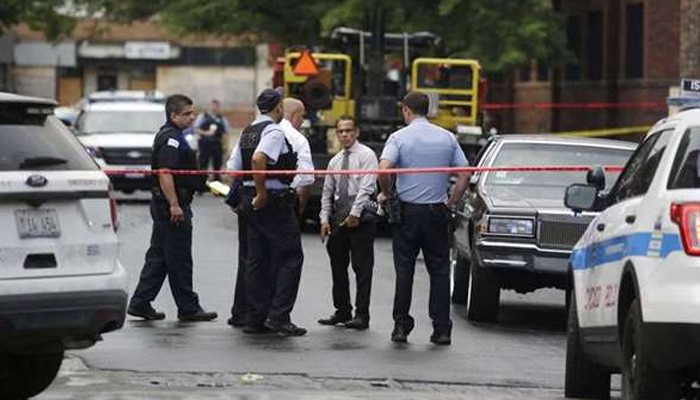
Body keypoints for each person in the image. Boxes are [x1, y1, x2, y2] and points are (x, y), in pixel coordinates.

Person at [378, 91, 470, 345]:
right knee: (439, 271)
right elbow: (465, 173)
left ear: (406, 110)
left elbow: (383, 169)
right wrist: (451, 202)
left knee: (404, 270)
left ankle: (400, 326)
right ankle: (442, 329)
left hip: (407, 212)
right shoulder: (447, 137)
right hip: (436, 212)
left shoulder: (399, 137)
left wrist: (387, 193)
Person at [127, 94, 218, 322]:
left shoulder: (175, 136)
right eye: (187, 114)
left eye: (192, 112)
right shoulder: (171, 139)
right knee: (179, 258)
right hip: (171, 207)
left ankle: (140, 302)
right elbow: (165, 172)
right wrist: (174, 205)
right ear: (173, 115)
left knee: (159, 257)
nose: (192, 117)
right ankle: (188, 307)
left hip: (165, 205)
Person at [226, 97, 314, 328]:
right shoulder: (274, 131)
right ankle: (278, 317)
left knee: (256, 259)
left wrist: (251, 190)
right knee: (291, 257)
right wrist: (262, 192)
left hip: (249, 201)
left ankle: (254, 318)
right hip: (273, 201)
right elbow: (258, 158)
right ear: (279, 109)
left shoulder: (248, 131)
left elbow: (233, 169)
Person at [318, 116, 378, 330]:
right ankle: (342, 310)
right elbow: (327, 192)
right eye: (340, 131)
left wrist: (355, 214)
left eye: (348, 130)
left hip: (361, 219)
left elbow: (367, 188)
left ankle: (362, 315)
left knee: (362, 269)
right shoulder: (335, 161)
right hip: (339, 219)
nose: (344, 135)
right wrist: (324, 219)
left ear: (356, 132)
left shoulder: (366, 155)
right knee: (338, 267)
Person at [195, 99, 230, 182]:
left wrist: (225, 146)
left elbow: (226, 133)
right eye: (213, 106)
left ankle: (216, 183)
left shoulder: (222, 119)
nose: (214, 108)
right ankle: (202, 183)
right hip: (204, 144)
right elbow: (196, 129)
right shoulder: (203, 117)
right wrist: (206, 133)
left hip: (217, 144)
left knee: (217, 165)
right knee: (203, 164)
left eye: (216, 106)